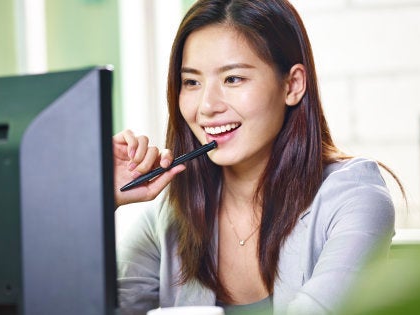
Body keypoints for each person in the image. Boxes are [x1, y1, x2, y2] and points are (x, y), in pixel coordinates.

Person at [113, 0, 399, 314]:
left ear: (293, 85)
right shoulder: (169, 216)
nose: (207, 106)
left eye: (233, 79)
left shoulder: (354, 197)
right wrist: (96, 201)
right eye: (192, 82)